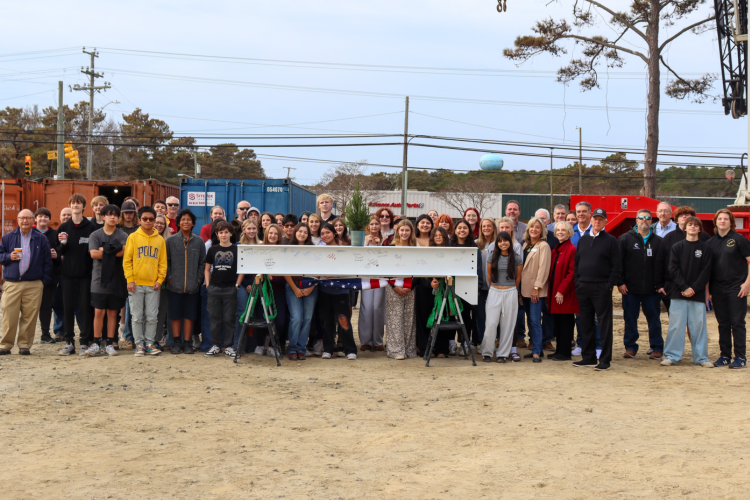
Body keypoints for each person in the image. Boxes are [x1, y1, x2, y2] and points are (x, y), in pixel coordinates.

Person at [661, 216, 713, 368]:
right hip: (679, 293)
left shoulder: (706, 249)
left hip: (697, 294)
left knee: (698, 326)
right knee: (676, 326)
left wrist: (694, 288)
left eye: (696, 225)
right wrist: (684, 287)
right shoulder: (677, 247)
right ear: (685, 228)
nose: (692, 227)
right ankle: (671, 356)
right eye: (690, 225)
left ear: (700, 229)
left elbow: (706, 272)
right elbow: (673, 269)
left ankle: (701, 358)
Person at [573, 208, 621, 371]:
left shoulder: (611, 241)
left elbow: (616, 266)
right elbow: (577, 263)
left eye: (601, 219)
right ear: (591, 220)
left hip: (601, 288)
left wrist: (609, 285)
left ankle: (605, 360)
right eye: (595, 219)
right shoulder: (583, 240)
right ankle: (588, 357)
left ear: (605, 221)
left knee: (604, 324)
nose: (598, 222)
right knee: (585, 323)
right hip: (583, 287)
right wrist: (577, 282)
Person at [0, 209, 52, 355]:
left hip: (34, 284)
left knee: (29, 316)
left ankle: (24, 346)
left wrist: (43, 281)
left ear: (33, 220)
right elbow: (0, 255)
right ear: (18, 220)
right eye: (22, 218)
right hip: (12, 283)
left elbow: (48, 262)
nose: (25, 221)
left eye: (28, 218)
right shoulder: (8, 237)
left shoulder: (41, 239)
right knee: (9, 315)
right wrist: (9, 256)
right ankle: (5, 345)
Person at [617, 209, 664, 360]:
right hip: (630, 288)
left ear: (652, 221)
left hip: (652, 289)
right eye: (641, 218)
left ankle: (656, 347)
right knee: (630, 318)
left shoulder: (658, 241)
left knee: (654, 319)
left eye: (648, 218)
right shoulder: (624, 239)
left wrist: (659, 284)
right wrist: (620, 282)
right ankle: (630, 347)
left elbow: (661, 265)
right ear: (636, 220)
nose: (644, 220)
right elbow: (618, 263)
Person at [707, 209, 750, 369]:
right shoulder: (710, 243)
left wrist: (747, 284)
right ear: (716, 222)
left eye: (726, 219)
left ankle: (740, 357)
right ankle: (725, 355)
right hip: (717, 289)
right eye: (720, 219)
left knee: (737, 322)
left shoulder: (739, 240)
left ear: (731, 222)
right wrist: (708, 291)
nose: (723, 221)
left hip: (736, 288)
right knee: (722, 323)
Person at [123, 206, 167, 357]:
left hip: (153, 284)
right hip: (135, 283)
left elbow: (163, 263)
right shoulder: (133, 238)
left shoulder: (160, 240)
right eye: (145, 219)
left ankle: (149, 343)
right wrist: (130, 279)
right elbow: (127, 261)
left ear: (155, 221)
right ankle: (139, 345)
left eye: (151, 219)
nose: (148, 221)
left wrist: (160, 280)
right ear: (139, 220)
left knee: (152, 316)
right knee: (136, 316)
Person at [85, 205, 128, 357]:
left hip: (117, 279)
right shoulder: (95, 235)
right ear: (102, 217)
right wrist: (113, 250)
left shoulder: (122, 235)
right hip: (98, 279)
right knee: (98, 312)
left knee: (113, 313)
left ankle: (110, 343)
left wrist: (104, 249)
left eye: (116, 215)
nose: (113, 217)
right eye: (109, 215)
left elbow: (124, 252)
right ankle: (96, 343)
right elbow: (93, 254)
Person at [57, 194, 97, 356]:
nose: (75, 206)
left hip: (86, 275)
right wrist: (62, 244)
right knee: (68, 308)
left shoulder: (91, 227)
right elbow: (58, 253)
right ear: (70, 205)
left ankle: (84, 342)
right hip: (67, 275)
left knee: (85, 308)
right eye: (73, 203)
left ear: (83, 207)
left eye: (78, 203)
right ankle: (69, 342)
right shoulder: (63, 227)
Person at [165, 209, 205, 355]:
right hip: (174, 286)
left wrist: (198, 280)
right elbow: (166, 262)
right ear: (178, 223)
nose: (186, 222)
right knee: (174, 314)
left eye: (188, 220)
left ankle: (187, 342)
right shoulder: (170, 240)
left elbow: (202, 263)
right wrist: (169, 278)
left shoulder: (199, 241)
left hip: (192, 287)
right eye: (183, 219)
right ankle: (176, 342)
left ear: (193, 223)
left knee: (189, 315)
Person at [479, 231, 522, 363]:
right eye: (500, 241)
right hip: (494, 292)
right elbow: (489, 277)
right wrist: (496, 288)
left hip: (510, 292)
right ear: (497, 243)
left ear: (510, 242)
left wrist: (509, 288)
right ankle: (487, 352)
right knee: (491, 323)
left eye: (505, 240)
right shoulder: (492, 256)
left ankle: (502, 354)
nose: (503, 243)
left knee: (508, 324)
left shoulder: (517, 258)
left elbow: (518, 278)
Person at [204, 220, 238, 358]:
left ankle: (229, 346)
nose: (224, 235)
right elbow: (207, 269)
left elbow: (241, 270)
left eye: (226, 232)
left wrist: (237, 285)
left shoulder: (236, 249)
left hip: (230, 288)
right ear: (217, 234)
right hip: (215, 288)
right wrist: (208, 285)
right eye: (221, 232)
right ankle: (216, 345)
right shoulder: (212, 249)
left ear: (230, 233)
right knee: (214, 318)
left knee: (229, 318)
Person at [284, 223, 318, 360]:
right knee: (296, 318)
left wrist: (311, 287)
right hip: (293, 287)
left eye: (305, 232)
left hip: (311, 286)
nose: (302, 234)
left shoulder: (314, 250)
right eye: (300, 231)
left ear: (308, 235)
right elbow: (284, 271)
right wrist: (295, 289)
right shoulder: (288, 250)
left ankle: (301, 348)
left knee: (307, 318)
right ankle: (292, 347)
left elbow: (319, 271)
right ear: (295, 233)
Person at [520, 217, 551, 363]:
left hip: (535, 290)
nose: (534, 229)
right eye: (532, 227)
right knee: (530, 320)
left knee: (534, 320)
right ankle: (536, 348)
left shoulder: (543, 246)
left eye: (537, 227)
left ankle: (537, 351)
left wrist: (536, 288)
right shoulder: (525, 245)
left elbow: (543, 269)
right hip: (524, 289)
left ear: (542, 230)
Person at [385, 219, 417, 360]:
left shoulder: (416, 249)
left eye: (407, 230)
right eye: (401, 230)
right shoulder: (390, 248)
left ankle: (409, 349)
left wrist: (410, 286)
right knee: (395, 318)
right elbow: (384, 270)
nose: (404, 233)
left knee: (409, 319)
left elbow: (420, 270)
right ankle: (396, 350)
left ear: (411, 232)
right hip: (394, 288)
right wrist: (395, 286)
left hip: (411, 287)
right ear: (397, 232)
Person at [547, 222, 578, 361]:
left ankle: (565, 353)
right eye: (558, 230)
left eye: (563, 230)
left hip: (565, 294)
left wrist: (561, 291)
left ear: (569, 232)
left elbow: (572, 273)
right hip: (554, 292)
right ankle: (559, 350)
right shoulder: (555, 250)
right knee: (558, 324)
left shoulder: (572, 249)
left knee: (566, 324)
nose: (560, 232)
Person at [450, 219, 481, 352]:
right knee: (452, 315)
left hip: (469, 286)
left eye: (465, 228)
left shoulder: (474, 248)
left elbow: (478, 269)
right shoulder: (449, 247)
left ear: (469, 231)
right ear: (455, 230)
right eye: (459, 228)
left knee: (466, 317)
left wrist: (478, 287)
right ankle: (451, 343)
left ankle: (465, 343)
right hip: (451, 286)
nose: (462, 230)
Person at [359, 216, 385, 352]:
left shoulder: (385, 240)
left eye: (376, 224)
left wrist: (379, 245)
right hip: (367, 277)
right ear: (368, 226)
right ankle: (366, 341)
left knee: (378, 308)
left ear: (380, 225)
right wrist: (366, 244)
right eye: (372, 224)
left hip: (380, 277)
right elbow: (359, 257)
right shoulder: (363, 238)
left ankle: (378, 341)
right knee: (367, 308)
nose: (374, 226)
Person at [34, 208, 60, 344]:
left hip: (50, 276)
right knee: (30, 307)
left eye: (46, 217)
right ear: (35, 219)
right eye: (40, 216)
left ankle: (45, 334)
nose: (43, 219)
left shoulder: (55, 234)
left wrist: (57, 256)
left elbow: (62, 253)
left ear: (49, 220)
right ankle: (27, 335)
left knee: (46, 305)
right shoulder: (30, 233)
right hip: (32, 277)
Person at [117, 200, 141, 349]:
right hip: (120, 269)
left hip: (136, 270)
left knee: (132, 305)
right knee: (121, 303)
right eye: (126, 212)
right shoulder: (118, 229)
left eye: (131, 212)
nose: (128, 215)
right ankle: (123, 334)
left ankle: (128, 335)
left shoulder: (139, 229)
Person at [51, 207, 77, 342]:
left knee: (76, 304)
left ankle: (75, 330)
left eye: (69, 214)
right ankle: (59, 330)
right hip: (59, 273)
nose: (66, 216)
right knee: (58, 303)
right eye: (64, 215)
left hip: (73, 273)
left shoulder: (75, 232)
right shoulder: (55, 233)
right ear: (60, 217)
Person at [475, 218, 497, 352]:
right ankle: (482, 342)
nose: (486, 228)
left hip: (495, 287)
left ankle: (493, 342)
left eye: (489, 226)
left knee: (493, 317)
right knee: (481, 316)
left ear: (494, 228)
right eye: (484, 226)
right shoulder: (476, 244)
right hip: (480, 287)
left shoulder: (499, 243)